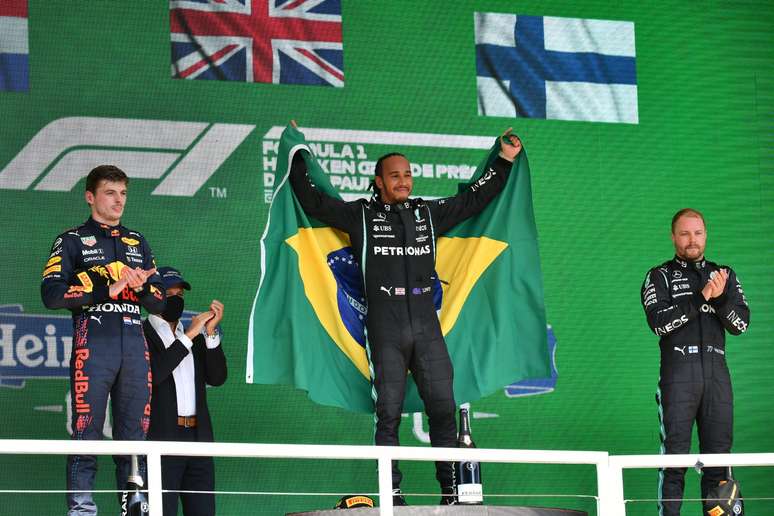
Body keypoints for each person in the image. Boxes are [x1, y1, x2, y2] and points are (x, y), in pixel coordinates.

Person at [288, 121, 523, 505]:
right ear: (378, 181)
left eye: (408, 174)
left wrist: (503, 160)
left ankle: (451, 494)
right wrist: (296, 153)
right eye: (394, 175)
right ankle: (392, 494)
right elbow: (313, 201)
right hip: (385, 326)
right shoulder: (360, 215)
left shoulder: (427, 214)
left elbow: (473, 201)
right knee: (389, 415)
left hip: (426, 326)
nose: (404, 180)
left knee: (445, 411)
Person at [40, 164, 166, 516]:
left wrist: (141, 289)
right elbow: (51, 295)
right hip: (94, 343)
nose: (118, 200)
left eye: (123, 193)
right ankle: (82, 509)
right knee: (87, 430)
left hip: (134, 344)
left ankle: (135, 508)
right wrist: (103, 290)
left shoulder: (137, 241)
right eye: (110, 192)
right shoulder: (71, 240)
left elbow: (161, 304)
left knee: (135, 436)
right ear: (90, 196)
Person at [641, 208, 750, 516]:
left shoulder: (723, 274)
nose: (692, 240)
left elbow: (741, 325)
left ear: (706, 235)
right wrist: (702, 296)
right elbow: (659, 323)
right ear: (674, 236)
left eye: (698, 233)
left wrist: (718, 298)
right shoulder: (658, 275)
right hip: (678, 376)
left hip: (717, 376)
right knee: (674, 462)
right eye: (685, 233)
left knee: (717, 462)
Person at [144, 266, 227, 516]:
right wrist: (190, 335)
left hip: (198, 439)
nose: (176, 300)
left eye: (180, 295)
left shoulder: (194, 338)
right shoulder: (140, 333)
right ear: (153, 296)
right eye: (169, 294)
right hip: (161, 440)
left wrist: (209, 333)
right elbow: (154, 375)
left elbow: (218, 377)